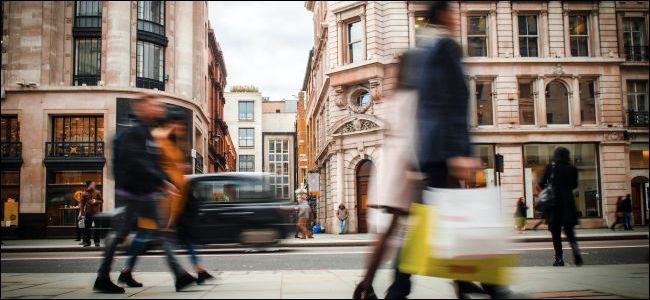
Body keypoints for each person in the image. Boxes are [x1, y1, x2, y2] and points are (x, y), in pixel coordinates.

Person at [384, 2, 511, 299]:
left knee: (433, 221)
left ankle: (413, 287)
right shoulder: (446, 49)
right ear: (443, 16)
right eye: (453, 13)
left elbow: (423, 109)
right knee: (461, 218)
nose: (457, 18)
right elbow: (451, 103)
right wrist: (460, 152)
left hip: (428, 151)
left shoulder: (421, 53)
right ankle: (492, 287)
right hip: (445, 151)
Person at [93, 94, 195, 293]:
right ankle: (103, 277)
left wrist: (164, 180)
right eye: (153, 105)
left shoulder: (148, 132)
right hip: (132, 194)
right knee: (120, 236)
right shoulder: (136, 132)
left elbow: (153, 163)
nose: (158, 108)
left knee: (161, 235)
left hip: (146, 194)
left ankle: (180, 276)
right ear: (141, 107)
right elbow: (139, 162)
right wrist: (163, 182)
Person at [119, 108, 214, 287]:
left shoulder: (171, 141)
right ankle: (181, 276)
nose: (182, 129)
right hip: (158, 198)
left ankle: (127, 272)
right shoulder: (158, 138)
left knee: (147, 236)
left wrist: (180, 169)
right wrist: (166, 181)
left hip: (173, 199)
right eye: (180, 125)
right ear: (172, 123)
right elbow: (152, 166)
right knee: (149, 236)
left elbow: (169, 166)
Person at [539, 147, 583, 267]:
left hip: (554, 204)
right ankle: (576, 251)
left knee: (556, 232)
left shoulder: (551, 167)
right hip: (568, 203)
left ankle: (559, 258)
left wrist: (550, 188)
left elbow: (541, 182)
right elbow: (574, 185)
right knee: (569, 231)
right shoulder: (573, 168)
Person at [80, 180, 103, 247]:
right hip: (88, 213)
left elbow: (101, 201)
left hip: (97, 213)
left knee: (97, 228)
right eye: (93, 184)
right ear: (89, 185)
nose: (94, 185)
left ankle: (97, 242)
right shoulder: (84, 193)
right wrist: (82, 214)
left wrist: (95, 201)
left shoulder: (97, 192)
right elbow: (82, 205)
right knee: (87, 228)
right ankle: (87, 242)